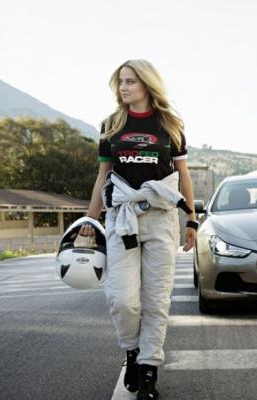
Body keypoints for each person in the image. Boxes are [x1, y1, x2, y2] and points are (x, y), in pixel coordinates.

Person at [78, 59, 197, 400]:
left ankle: (148, 371)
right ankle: (131, 350)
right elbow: (102, 177)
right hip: (121, 218)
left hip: (160, 218)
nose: (123, 87)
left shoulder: (170, 125)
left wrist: (190, 219)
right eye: (120, 82)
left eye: (130, 81)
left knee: (156, 301)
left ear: (147, 84)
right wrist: (89, 222)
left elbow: (183, 175)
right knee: (123, 300)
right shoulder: (111, 125)